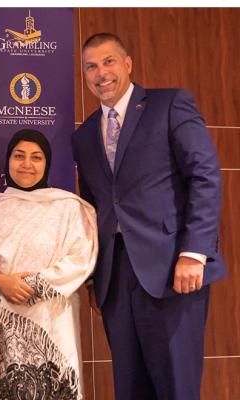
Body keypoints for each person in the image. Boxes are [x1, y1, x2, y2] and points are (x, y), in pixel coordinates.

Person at [72, 32, 227, 400]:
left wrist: (194, 252)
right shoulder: (84, 137)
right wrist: (95, 278)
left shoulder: (169, 104)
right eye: (90, 67)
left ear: (127, 64)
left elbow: (204, 176)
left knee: (176, 386)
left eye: (108, 61)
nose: (100, 73)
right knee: (130, 388)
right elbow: (92, 206)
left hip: (172, 269)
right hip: (115, 278)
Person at [0, 129, 98, 400]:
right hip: (5, 325)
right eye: (19, 156)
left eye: (36, 157)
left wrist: (29, 285)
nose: (27, 164)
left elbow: (81, 259)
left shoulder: (67, 208)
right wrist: (1, 281)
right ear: (8, 161)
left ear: (46, 163)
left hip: (53, 323)